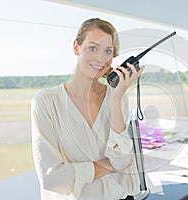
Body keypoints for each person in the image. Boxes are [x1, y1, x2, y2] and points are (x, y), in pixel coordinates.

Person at [31, 18, 143, 200]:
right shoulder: (46, 102)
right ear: (76, 47)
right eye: (93, 48)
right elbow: (52, 179)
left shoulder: (117, 97)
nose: (101, 58)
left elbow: (122, 160)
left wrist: (115, 99)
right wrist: (109, 165)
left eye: (108, 51)